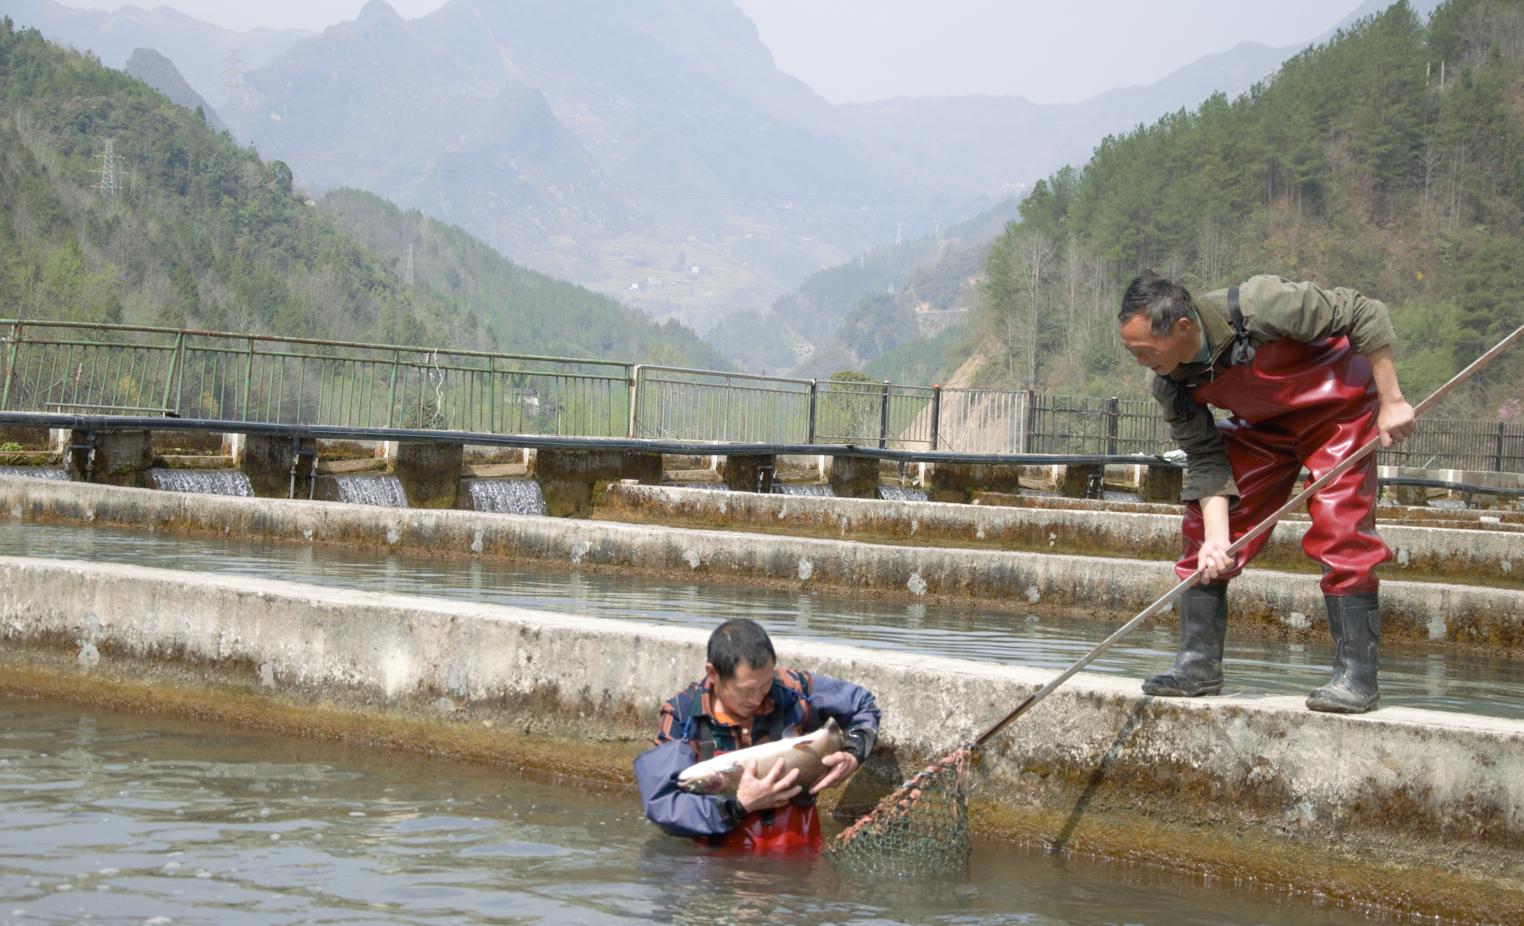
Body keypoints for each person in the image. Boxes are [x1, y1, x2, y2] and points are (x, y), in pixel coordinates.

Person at [1118, 272, 1416, 714]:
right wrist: (1219, 539)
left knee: (1341, 526)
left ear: (1183, 328)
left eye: (1146, 350)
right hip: (1264, 427)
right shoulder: (1169, 382)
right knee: (1206, 529)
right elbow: (1205, 458)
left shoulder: (1261, 305)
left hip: (1337, 411)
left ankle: (1357, 676)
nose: (1142, 361)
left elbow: (1362, 310)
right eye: (1132, 352)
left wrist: (1391, 401)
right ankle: (1197, 665)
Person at [634, 618, 881, 852]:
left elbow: (863, 705)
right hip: (717, 868)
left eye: (764, 686)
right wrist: (740, 804)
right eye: (746, 690)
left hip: (799, 858)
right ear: (713, 673)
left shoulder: (793, 689)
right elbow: (663, 806)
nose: (757, 699)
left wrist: (853, 754)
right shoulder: (682, 715)